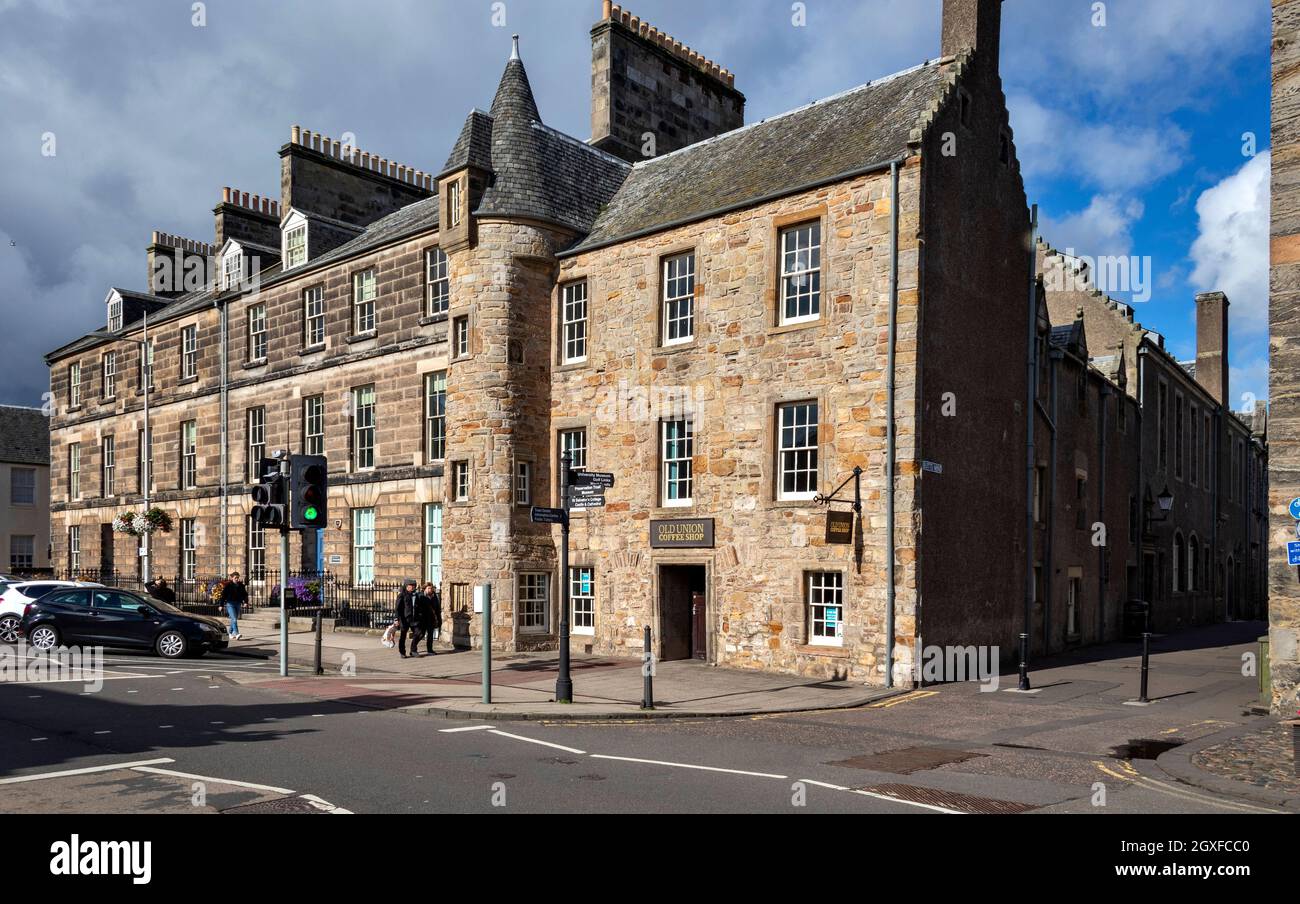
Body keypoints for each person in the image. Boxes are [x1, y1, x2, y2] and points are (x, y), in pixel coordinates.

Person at [396, 579, 420, 659]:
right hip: (404, 619)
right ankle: (402, 652)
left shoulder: (416, 595)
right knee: (403, 636)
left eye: (413, 586)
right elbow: (397, 608)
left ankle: (413, 650)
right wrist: (397, 619)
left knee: (418, 633)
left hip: (414, 619)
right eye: (410, 586)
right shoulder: (401, 595)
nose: (412, 587)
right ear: (406, 586)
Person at [221, 571, 248, 640]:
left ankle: (229, 633)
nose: (237, 579)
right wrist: (221, 605)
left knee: (233, 620)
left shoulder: (241, 585)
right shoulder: (228, 586)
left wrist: (245, 602)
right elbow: (223, 596)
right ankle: (237, 634)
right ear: (232, 578)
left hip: (238, 603)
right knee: (234, 619)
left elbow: (245, 594)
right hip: (230, 604)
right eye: (235, 578)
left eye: (238, 578)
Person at [417, 582, 442, 656]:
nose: (430, 590)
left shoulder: (434, 597)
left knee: (430, 635)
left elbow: (437, 609)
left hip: (431, 619)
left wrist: (439, 619)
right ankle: (413, 647)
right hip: (423, 619)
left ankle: (430, 650)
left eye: (431, 588)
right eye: (429, 588)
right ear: (425, 589)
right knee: (421, 634)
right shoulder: (420, 596)